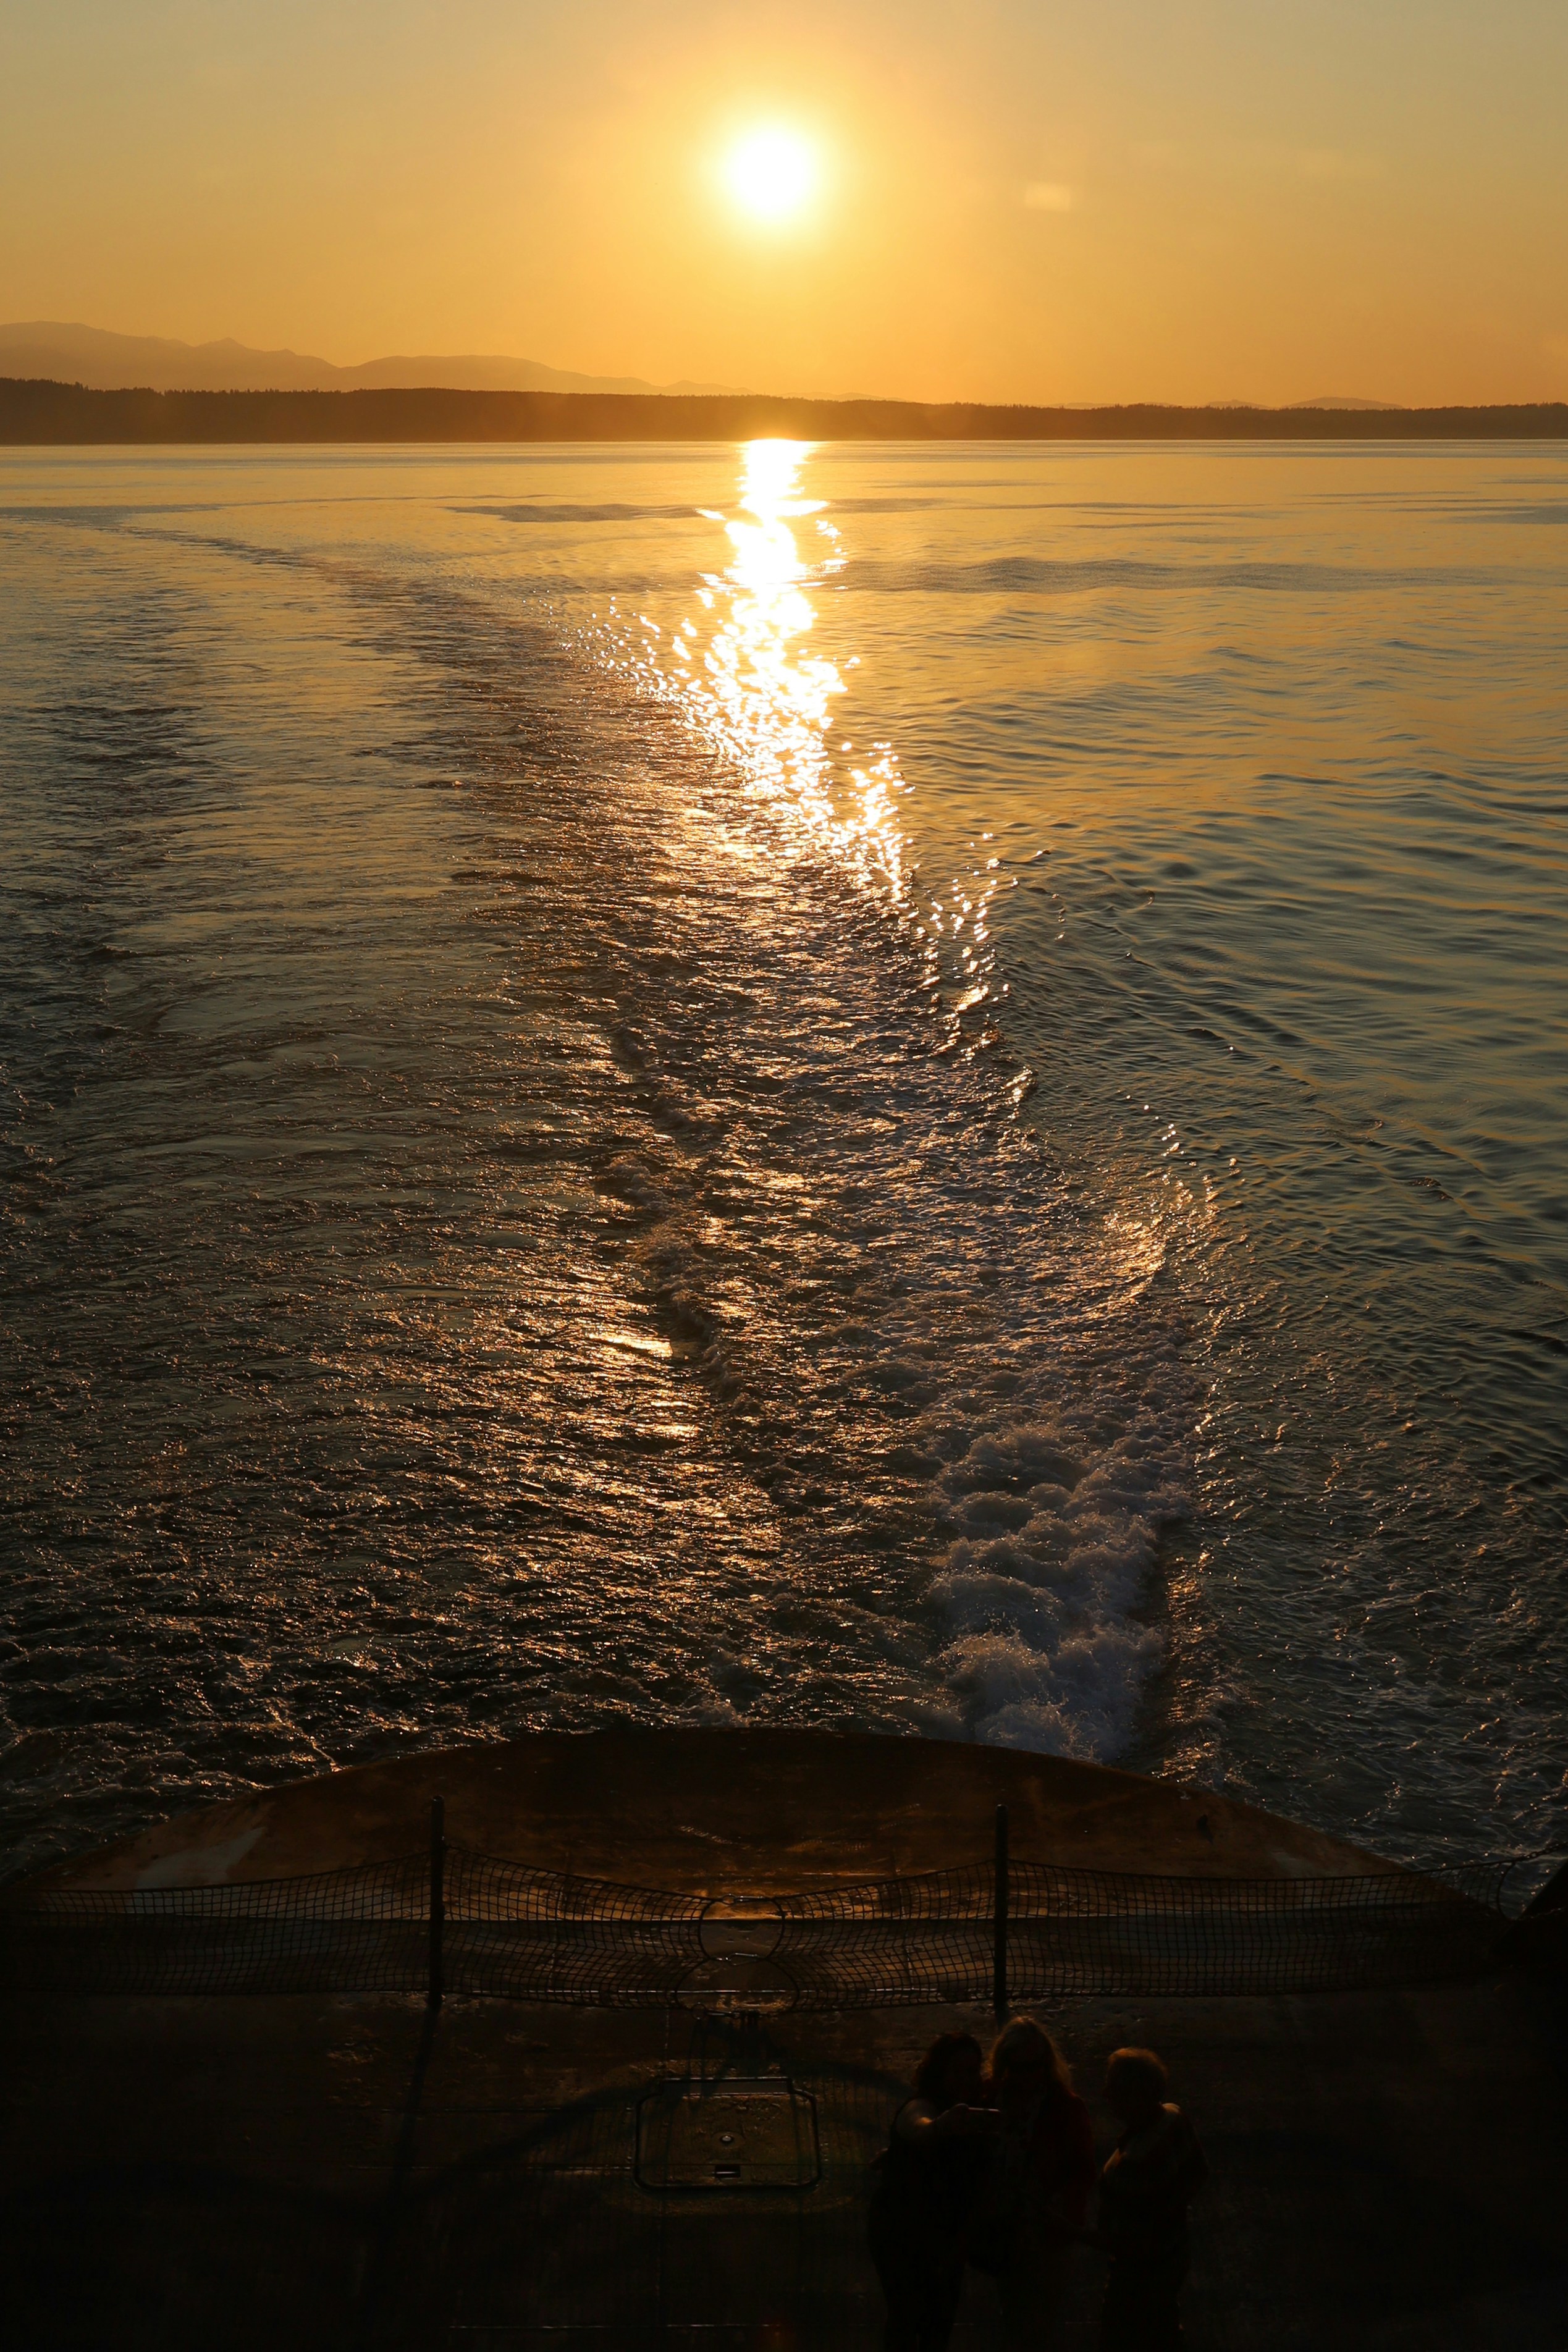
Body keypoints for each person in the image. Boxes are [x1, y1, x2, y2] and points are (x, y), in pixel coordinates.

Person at [968, 2017, 1095, 2348]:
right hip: (1003, 2227)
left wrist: (1061, 2212)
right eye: (1018, 2067)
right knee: (1013, 2314)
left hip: (1044, 2233)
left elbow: (1082, 2169)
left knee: (1035, 2322)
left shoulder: (1065, 2108)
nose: (1027, 2076)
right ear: (1005, 2064)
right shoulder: (989, 2096)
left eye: (1034, 2067)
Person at [868, 2031, 995, 2351]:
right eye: (959, 2071)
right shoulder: (925, 2106)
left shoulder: (974, 2113)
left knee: (936, 2321)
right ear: (941, 2072)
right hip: (903, 2232)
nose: (967, 2078)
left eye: (972, 2070)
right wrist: (939, 2126)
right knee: (907, 2316)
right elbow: (917, 2124)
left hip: (945, 2235)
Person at [1095, 2047, 1207, 2351]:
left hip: (1137, 2278)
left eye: (1113, 2088)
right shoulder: (1174, 2115)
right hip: (1174, 2252)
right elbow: (1199, 2172)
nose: (1105, 2094)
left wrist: (1066, 2229)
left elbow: (1119, 2240)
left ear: (1135, 2097)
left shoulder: (1130, 2164)